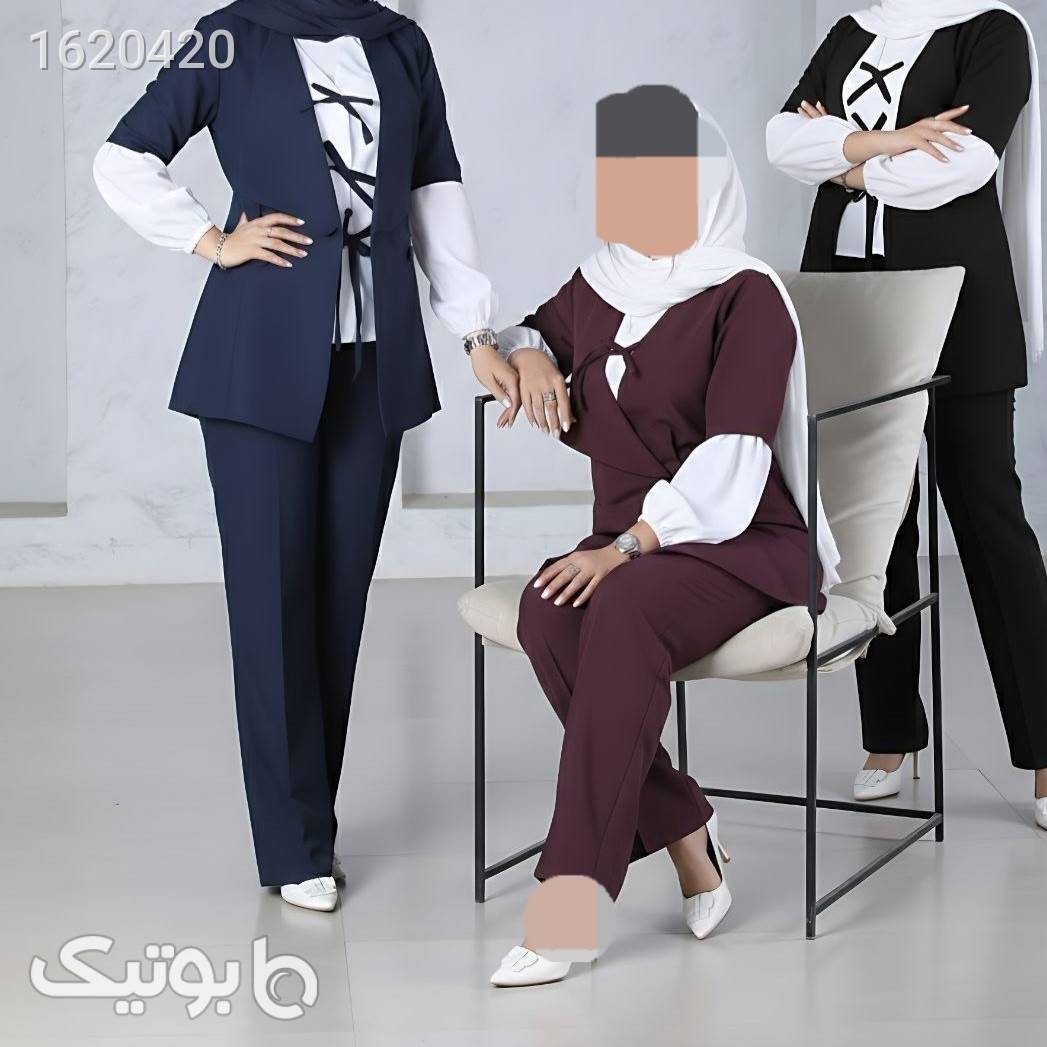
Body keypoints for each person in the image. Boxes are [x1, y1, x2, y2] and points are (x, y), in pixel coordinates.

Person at [93, 0, 521, 911]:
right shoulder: (232, 34)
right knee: (272, 602)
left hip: (374, 362)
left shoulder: (399, 43)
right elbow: (121, 157)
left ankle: (308, 825)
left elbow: (434, 187)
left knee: (336, 601)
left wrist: (475, 330)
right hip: (256, 365)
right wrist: (213, 240)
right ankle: (293, 848)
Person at [486, 86, 841, 987]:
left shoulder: (746, 296)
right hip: (632, 544)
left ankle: (569, 897)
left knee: (622, 606)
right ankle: (685, 825)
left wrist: (627, 547)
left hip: (741, 542)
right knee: (546, 609)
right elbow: (530, 328)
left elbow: (734, 461)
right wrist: (528, 354)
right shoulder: (600, 281)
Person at [767, 0, 1047, 831]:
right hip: (848, 306)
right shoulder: (851, 29)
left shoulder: (990, 30)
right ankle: (890, 734)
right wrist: (889, 143)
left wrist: (843, 158)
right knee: (873, 522)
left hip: (957, 305)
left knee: (987, 516)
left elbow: (961, 166)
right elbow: (779, 140)